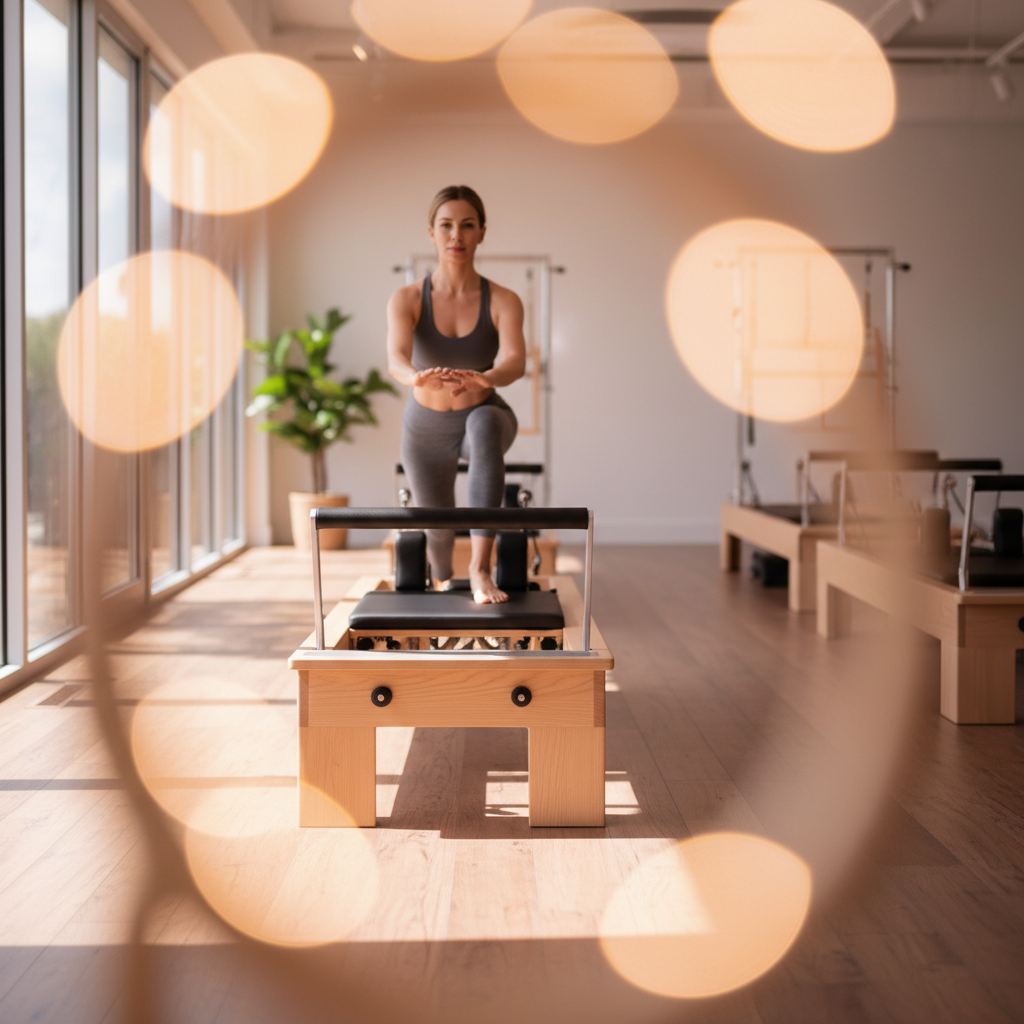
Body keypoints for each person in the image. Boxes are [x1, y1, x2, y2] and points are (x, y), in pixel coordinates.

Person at [387, 185, 526, 603]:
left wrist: (489, 378)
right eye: (446, 225)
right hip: (425, 426)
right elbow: (395, 358)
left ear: (482, 232)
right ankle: (445, 576)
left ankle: (481, 570)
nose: (456, 236)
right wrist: (414, 378)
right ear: (432, 233)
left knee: (483, 424)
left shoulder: (503, 299)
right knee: (438, 530)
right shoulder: (408, 298)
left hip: (485, 411)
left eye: (467, 226)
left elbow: (516, 361)